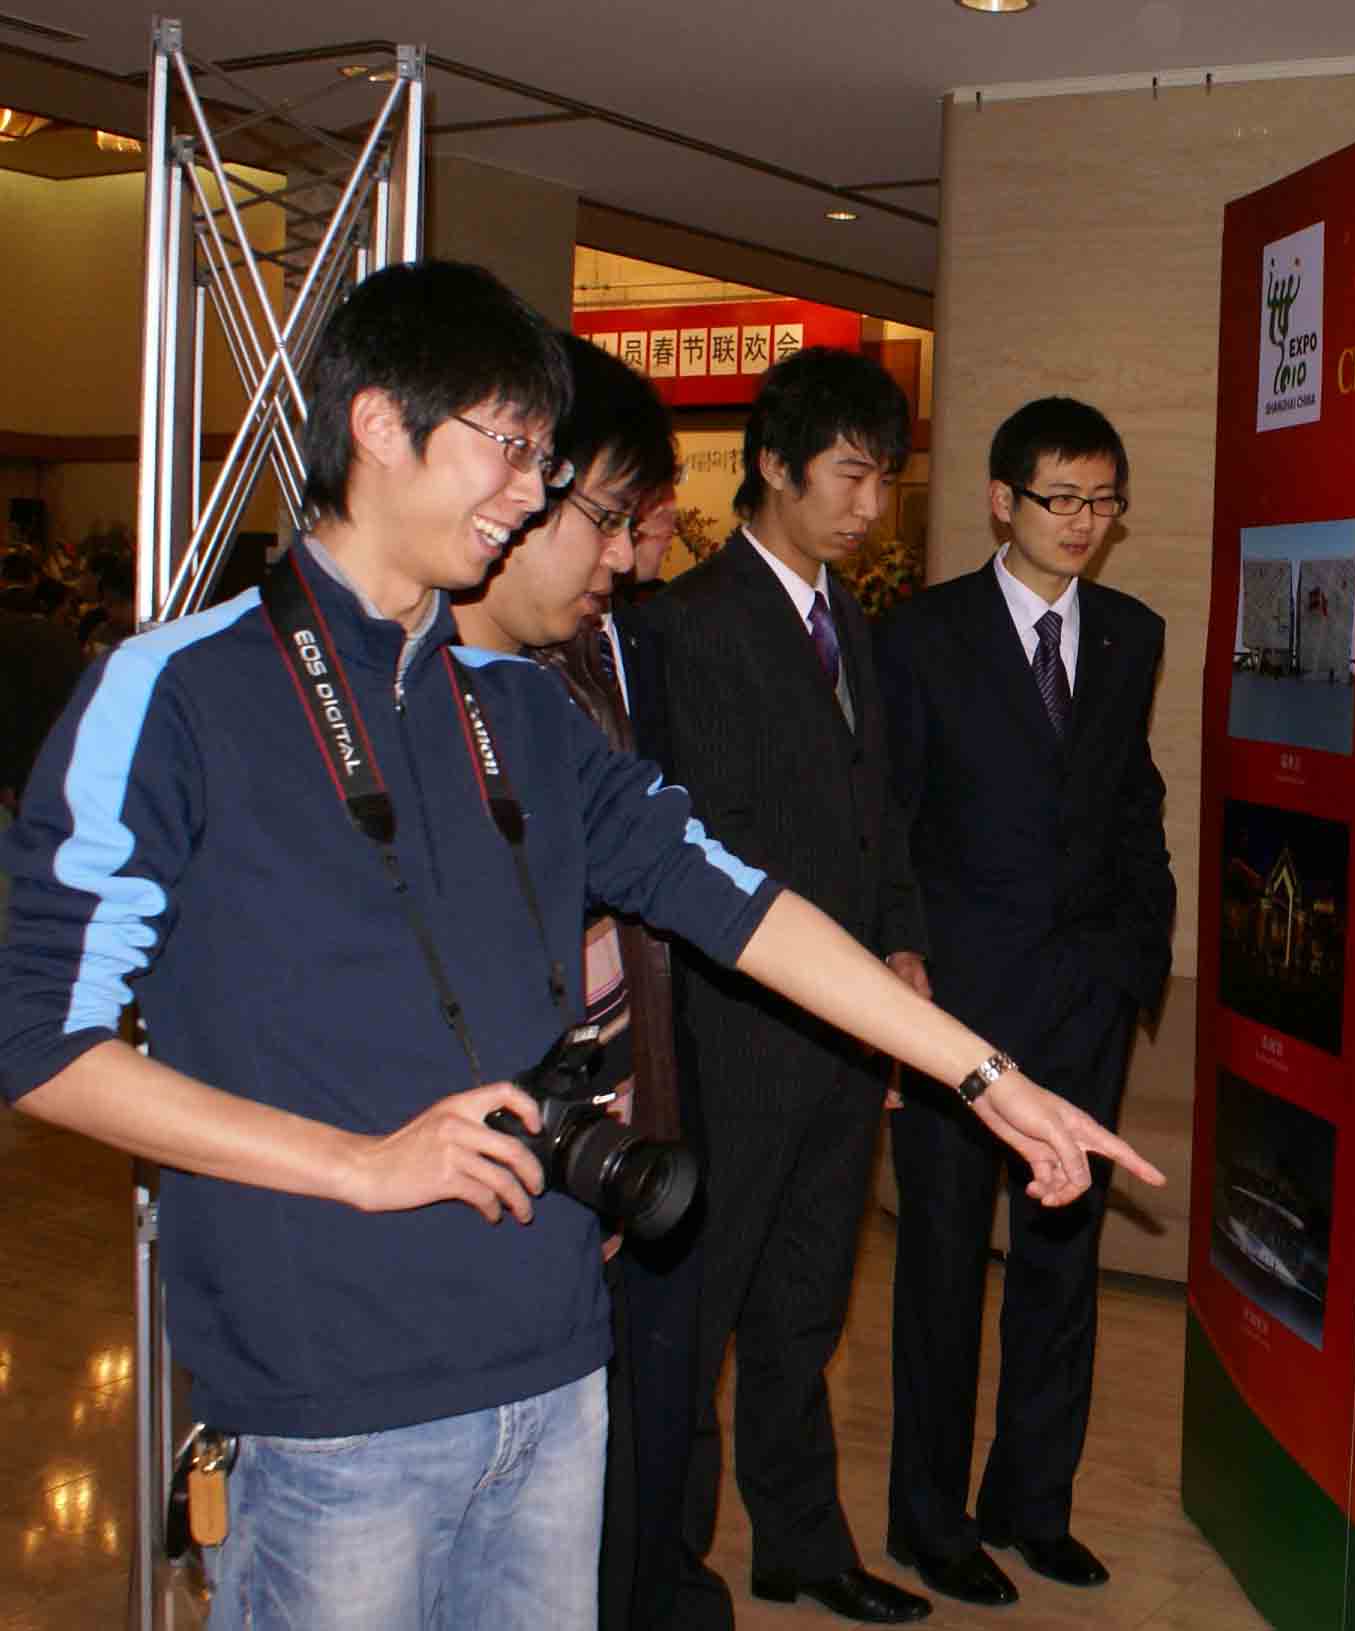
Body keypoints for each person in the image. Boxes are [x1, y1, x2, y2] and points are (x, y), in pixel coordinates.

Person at [0, 263, 1159, 1631]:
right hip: (331, 1398)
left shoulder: (523, 707)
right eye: (510, 447)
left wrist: (985, 1076)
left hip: (553, 1370)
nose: (531, 493)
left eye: (545, 462)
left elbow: (744, 902)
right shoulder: (175, 691)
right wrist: (357, 1164)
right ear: (377, 424)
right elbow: (39, 1040)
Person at [645, 346, 931, 1626]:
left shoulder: (849, 619)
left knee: (808, 1298)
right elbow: (717, 838)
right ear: (772, 463)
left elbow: (879, 811)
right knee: (702, 1307)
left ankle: (802, 1541)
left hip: (848, 1021)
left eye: (886, 479)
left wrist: (900, 945)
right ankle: (671, 1568)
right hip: (741, 1025)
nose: (871, 506)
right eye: (850, 475)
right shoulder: (691, 623)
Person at [877, 396, 1176, 1604]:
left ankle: (1032, 1503)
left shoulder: (1132, 633)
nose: (1083, 522)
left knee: (1061, 1265)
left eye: (1103, 501)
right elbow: (890, 816)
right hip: (958, 1008)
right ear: (1003, 500)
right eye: (1061, 498)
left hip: (1082, 997)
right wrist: (901, 959)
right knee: (943, 1267)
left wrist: (1136, 955)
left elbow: (1132, 800)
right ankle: (930, 1521)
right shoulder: (921, 634)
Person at [447, 333, 698, 1631]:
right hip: (421, 1281)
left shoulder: (544, 705)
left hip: (570, 1182)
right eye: (604, 514)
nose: (624, 557)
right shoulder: (382, 704)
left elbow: (711, 891)